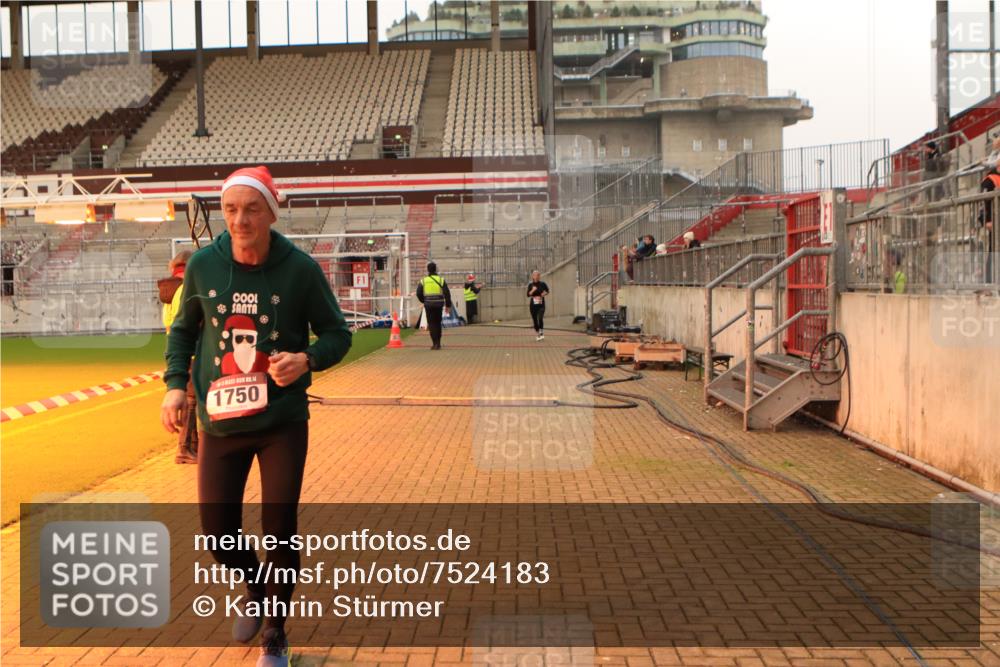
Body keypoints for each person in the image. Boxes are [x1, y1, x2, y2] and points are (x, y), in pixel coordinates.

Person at [160, 166, 352, 667]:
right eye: (230, 209)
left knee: (279, 529)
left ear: (271, 209)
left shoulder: (300, 269)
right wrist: (176, 386)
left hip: (281, 422)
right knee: (218, 534)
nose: (240, 220)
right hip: (221, 423)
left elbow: (339, 334)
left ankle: (275, 634)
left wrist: (307, 358)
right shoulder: (203, 265)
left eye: (251, 209)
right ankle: (256, 587)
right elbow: (183, 332)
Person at [159, 250, 198, 464]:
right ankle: (184, 448)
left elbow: (168, 322)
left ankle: (193, 446)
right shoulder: (185, 289)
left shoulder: (169, 291)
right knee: (192, 400)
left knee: (192, 398)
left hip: (176, 350)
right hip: (189, 351)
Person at [416, 262, 452, 349]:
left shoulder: (423, 281)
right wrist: (448, 305)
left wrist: (424, 301)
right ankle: (438, 343)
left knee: (431, 324)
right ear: (436, 269)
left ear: (428, 270)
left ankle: (434, 343)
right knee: (438, 323)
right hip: (439, 304)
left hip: (428, 305)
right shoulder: (441, 280)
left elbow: (418, 293)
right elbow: (447, 293)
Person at [526, 270, 549, 340]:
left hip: (541, 304)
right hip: (533, 305)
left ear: (539, 276)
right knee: (535, 320)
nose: (536, 276)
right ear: (532, 276)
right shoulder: (530, 285)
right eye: (535, 275)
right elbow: (528, 294)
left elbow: (547, 291)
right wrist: (532, 290)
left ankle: (541, 332)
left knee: (540, 318)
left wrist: (543, 294)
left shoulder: (543, 284)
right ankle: (538, 332)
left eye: (538, 275)